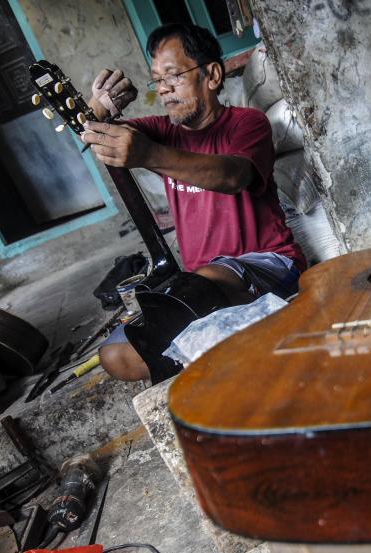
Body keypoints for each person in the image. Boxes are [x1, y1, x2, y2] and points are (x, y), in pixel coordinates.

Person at [83, 23, 306, 382]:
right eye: (157, 80)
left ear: (212, 75)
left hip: (267, 263)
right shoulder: (164, 130)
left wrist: (150, 155)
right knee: (115, 356)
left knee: (198, 292)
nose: (164, 89)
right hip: (198, 287)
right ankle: (213, 347)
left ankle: (214, 352)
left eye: (174, 75)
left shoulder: (247, 124)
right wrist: (97, 108)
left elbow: (233, 177)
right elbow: (94, 135)